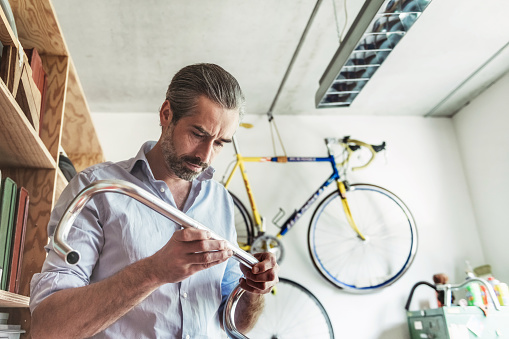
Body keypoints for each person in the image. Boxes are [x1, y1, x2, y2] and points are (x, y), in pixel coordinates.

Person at [29, 63, 279, 338]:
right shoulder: (97, 189)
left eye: (220, 143)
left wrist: (253, 291)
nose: (206, 156)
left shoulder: (220, 200)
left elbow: (235, 324)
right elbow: (48, 328)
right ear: (166, 114)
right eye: (198, 134)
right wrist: (155, 271)